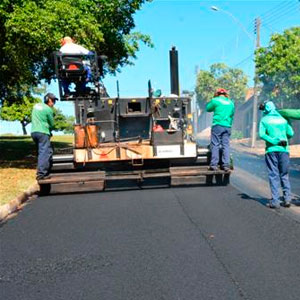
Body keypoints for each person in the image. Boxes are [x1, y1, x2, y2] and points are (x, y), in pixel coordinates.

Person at [259, 101, 294, 209]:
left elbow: (261, 134)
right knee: (284, 174)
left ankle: (275, 201)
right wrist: (283, 138)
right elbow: (291, 133)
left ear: (266, 109)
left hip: (271, 150)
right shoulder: (283, 119)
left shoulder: (264, 120)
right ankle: (287, 199)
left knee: (273, 175)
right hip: (284, 150)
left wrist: (273, 141)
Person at [206, 88, 235, 171]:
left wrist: (213, 100)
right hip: (227, 126)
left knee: (215, 144)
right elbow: (232, 115)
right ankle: (226, 165)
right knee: (226, 145)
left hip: (217, 125)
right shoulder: (231, 103)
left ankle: (214, 165)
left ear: (217, 93)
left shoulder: (215, 100)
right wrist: (229, 124)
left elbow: (208, 108)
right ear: (225, 94)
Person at [31, 93, 57, 180]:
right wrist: (51, 129)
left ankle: (44, 170)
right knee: (44, 152)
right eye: (53, 101)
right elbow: (52, 124)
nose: (53, 103)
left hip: (34, 132)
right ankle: (42, 174)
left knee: (45, 151)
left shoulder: (36, 106)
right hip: (43, 132)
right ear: (49, 100)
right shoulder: (48, 109)